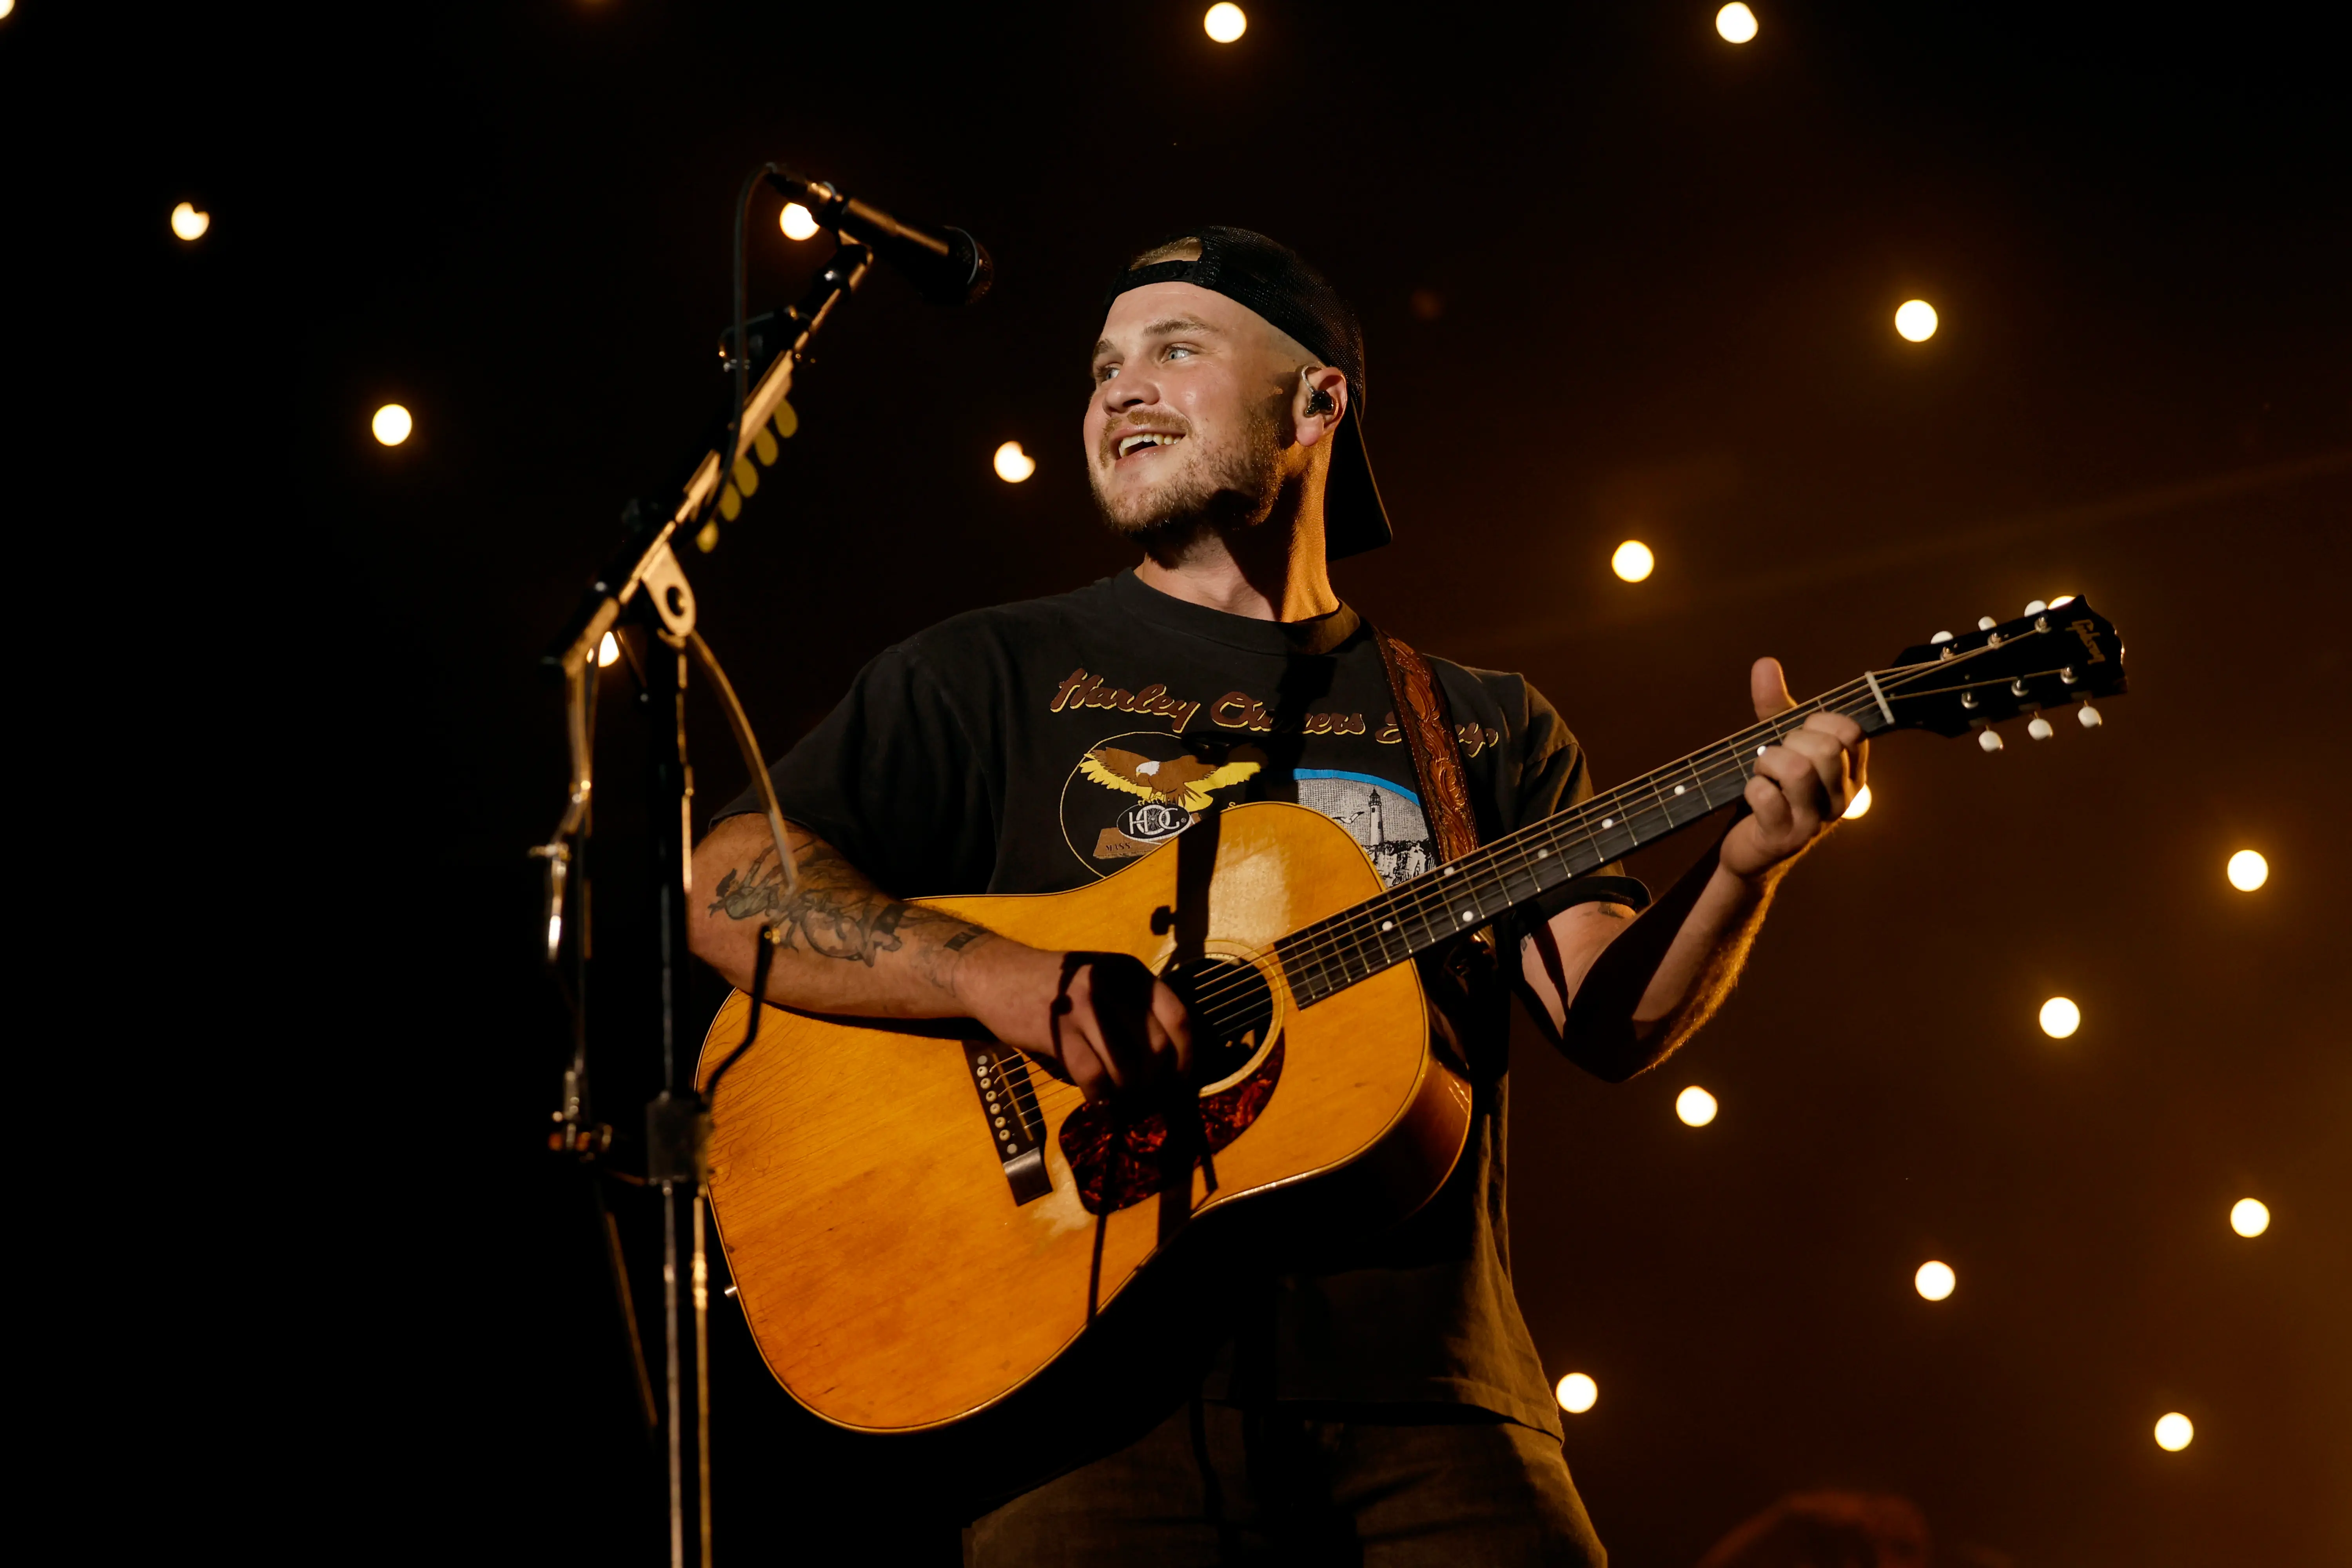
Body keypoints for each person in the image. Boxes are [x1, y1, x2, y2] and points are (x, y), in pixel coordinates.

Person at [688, 227, 1867, 1566]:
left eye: (1175, 351)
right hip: (1089, 1403)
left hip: (1432, 1405)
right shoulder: (987, 672)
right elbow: (732, 885)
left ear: (1319, 401)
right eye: (1102, 367)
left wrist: (1746, 868)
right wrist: (1002, 978)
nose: (1119, 391)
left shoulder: (1475, 724)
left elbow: (1606, 1018)